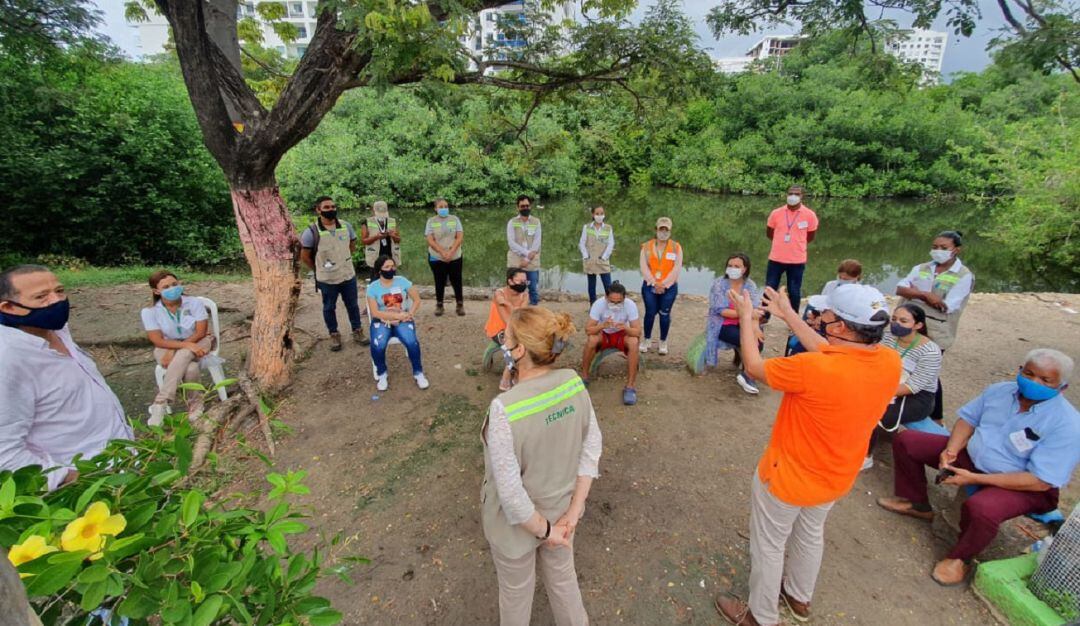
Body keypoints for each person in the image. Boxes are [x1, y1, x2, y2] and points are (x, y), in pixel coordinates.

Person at [715, 283, 901, 626]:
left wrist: (745, 318)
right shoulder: (889, 361)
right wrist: (787, 315)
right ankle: (799, 597)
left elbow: (754, 367)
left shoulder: (809, 369)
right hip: (836, 476)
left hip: (787, 477)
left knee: (770, 545)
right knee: (810, 533)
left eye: (826, 315)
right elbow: (833, 351)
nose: (818, 317)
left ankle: (761, 616)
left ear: (841, 326)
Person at [877, 349, 1078, 586]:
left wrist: (974, 479)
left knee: (982, 508)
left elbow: (1040, 480)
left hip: (1023, 484)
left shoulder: (1067, 424)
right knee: (908, 441)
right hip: (972, 458)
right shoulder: (1000, 391)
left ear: (1062, 387)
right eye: (1029, 373)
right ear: (1020, 370)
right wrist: (951, 451)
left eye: (1045, 380)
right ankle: (917, 503)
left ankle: (961, 558)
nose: (1034, 382)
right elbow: (968, 420)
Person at [482, 306, 601, 625]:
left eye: (505, 338)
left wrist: (544, 531)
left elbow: (510, 493)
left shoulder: (504, 410)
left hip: (516, 530)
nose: (502, 344)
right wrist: (572, 514)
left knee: (516, 593)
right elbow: (592, 448)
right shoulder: (574, 383)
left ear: (519, 350)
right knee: (563, 582)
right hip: (562, 514)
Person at [0, 265, 133, 491]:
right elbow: (5, 454)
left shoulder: (56, 331)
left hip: (123, 464)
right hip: (87, 487)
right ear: (9, 307)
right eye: (41, 297)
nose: (56, 301)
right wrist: (75, 479)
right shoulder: (8, 359)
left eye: (59, 291)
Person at [896, 230, 973, 423]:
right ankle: (902, 404)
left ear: (956, 250)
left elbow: (947, 306)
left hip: (937, 331)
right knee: (902, 365)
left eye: (943, 248)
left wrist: (915, 293)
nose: (938, 251)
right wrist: (926, 296)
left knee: (928, 373)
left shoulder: (963, 276)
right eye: (935, 247)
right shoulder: (922, 267)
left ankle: (936, 416)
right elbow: (900, 288)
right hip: (908, 326)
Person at [862, 303, 942, 470]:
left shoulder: (930, 352)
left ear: (918, 325)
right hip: (887, 383)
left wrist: (875, 393)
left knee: (872, 410)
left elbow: (913, 387)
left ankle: (865, 456)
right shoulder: (888, 337)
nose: (896, 324)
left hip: (916, 397)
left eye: (903, 321)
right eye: (894, 319)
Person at [141, 270, 216, 426]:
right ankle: (196, 404)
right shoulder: (150, 312)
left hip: (200, 341)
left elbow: (201, 331)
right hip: (167, 346)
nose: (172, 288)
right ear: (156, 291)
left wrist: (186, 346)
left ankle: (160, 403)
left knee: (186, 354)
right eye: (166, 287)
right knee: (190, 368)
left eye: (175, 284)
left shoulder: (194, 303)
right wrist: (184, 346)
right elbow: (157, 340)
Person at [299, 196, 368, 352]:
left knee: (353, 305)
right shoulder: (311, 232)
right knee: (329, 307)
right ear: (318, 210)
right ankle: (334, 334)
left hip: (347, 275)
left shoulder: (346, 226)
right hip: (327, 279)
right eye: (327, 207)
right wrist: (318, 269)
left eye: (333, 207)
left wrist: (343, 261)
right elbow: (304, 256)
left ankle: (357, 331)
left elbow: (352, 245)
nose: (331, 210)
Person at [705, 253, 766, 395]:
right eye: (730, 265)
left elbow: (756, 308)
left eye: (737, 266)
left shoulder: (750, 285)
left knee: (758, 341)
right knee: (743, 339)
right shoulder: (719, 284)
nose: (732, 268)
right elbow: (720, 310)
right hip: (723, 324)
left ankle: (748, 372)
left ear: (744, 269)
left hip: (746, 321)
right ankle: (750, 375)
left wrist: (756, 327)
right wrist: (746, 313)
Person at [366, 255, 428, 392]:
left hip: (404, 318)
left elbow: (416, 300)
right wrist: (393, 317)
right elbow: (375, 312)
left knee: (411, 341)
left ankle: (418, 373)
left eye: (393, 266)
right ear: (379, 270)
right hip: (382, 320)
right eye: (387, 267)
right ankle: (382, 373)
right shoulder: (373, 288)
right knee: (378, 344)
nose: (391, 269)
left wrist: (409, 313)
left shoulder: (402, 281)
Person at [581, 281, 641, 405]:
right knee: (591, 339)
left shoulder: (630, 305)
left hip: (621, 334)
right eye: (612, 301)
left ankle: (630, 386)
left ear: (624, 298)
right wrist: (602, 325)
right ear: (606, 297)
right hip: (604, 334)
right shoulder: (599, 304)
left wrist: (625, 327)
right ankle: (585, 376)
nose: (615, 304)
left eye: (619, 302)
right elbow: (588, 330)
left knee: (634, 342)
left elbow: (637, 332)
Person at [765, 185, 818, 312]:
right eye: (790, 193)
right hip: (776, 258)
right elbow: (769, 233)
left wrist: (795, 244)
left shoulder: (810, 215)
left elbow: (810, 237)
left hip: (797, 260)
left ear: (802, 196)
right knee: (770, 289)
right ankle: (763, 316)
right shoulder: (776, 213)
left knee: (794, 291)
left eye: (796, 194)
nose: (793, 196)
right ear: (786, 195)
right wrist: (781, 244)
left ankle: (793, 319)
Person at [638, 217, 683, 355]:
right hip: (650, 285)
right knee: (650, 313)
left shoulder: (676, 247)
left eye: (666, 230)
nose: (663, 232)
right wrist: (654, 283)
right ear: (655, 230)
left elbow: (677, 268)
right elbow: (643, 267)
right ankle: (647, 339)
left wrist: (664, 284)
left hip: (669, 287)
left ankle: (663, 341)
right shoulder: (646, 246)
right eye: (661, 229)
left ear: (670, 231)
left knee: (664, 314)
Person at [485, 268, 531, 391]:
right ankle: (507, 379)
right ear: (510, 281)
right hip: (498, 330)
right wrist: (510, 306)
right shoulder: (499, 294)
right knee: (514, 347)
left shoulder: (525, 294)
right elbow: (508, 321)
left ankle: (515, 374)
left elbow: (520, 315)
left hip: (515, 327)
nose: (524, 284)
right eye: (520, 281)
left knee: (527, 344)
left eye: (525, 282)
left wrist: (510, 306)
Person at [425, 198, 465, 317]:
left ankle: (460, 304)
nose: (444, 209)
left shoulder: (455, 219)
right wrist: (442, 252)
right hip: (437, 256)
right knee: (439, 281)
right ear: (435, 209)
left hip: (455, 255)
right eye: (441, 207)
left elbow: (459, 236)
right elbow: (430, 239)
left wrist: (451, 251)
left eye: (446, 206)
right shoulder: (431, 221)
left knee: (456, 280)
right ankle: (439, 305)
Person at [506, 194, 542, 306]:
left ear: (530, 206)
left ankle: (533, 312)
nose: (525, 208)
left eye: (527, 205)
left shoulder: (536, 222)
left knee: (532, 288)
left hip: (532, 261)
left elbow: (537, 242)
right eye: (522, 206)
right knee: (514, 288)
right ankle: (513, 312)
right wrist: (527, 253)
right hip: (516, 260)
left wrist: (527, 258)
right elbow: (511, 243)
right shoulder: (512, 222)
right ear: (518, 207)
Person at [578, 205, 614, 304]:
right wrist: (586, 256)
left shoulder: (608, 228)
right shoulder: (587, 227)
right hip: (590, 260)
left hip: (603, 260)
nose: (599, 216)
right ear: (593, 214)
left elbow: (611, 244)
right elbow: (582, 243)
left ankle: (610, 304)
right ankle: (593, 305)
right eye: (597, 214)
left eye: (601, 214)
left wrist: (604, 257)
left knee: (608, 285)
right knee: (591, 285)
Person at [361, 200, 402, 282]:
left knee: (391, 280)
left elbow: (398, 240)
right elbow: (364, 241)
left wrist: (393, 236)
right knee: (375, 280)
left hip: (390, 256)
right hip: (375, 257)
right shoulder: (367, 222)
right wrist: (376, 237)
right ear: (373, 211)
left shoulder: (392, 221)